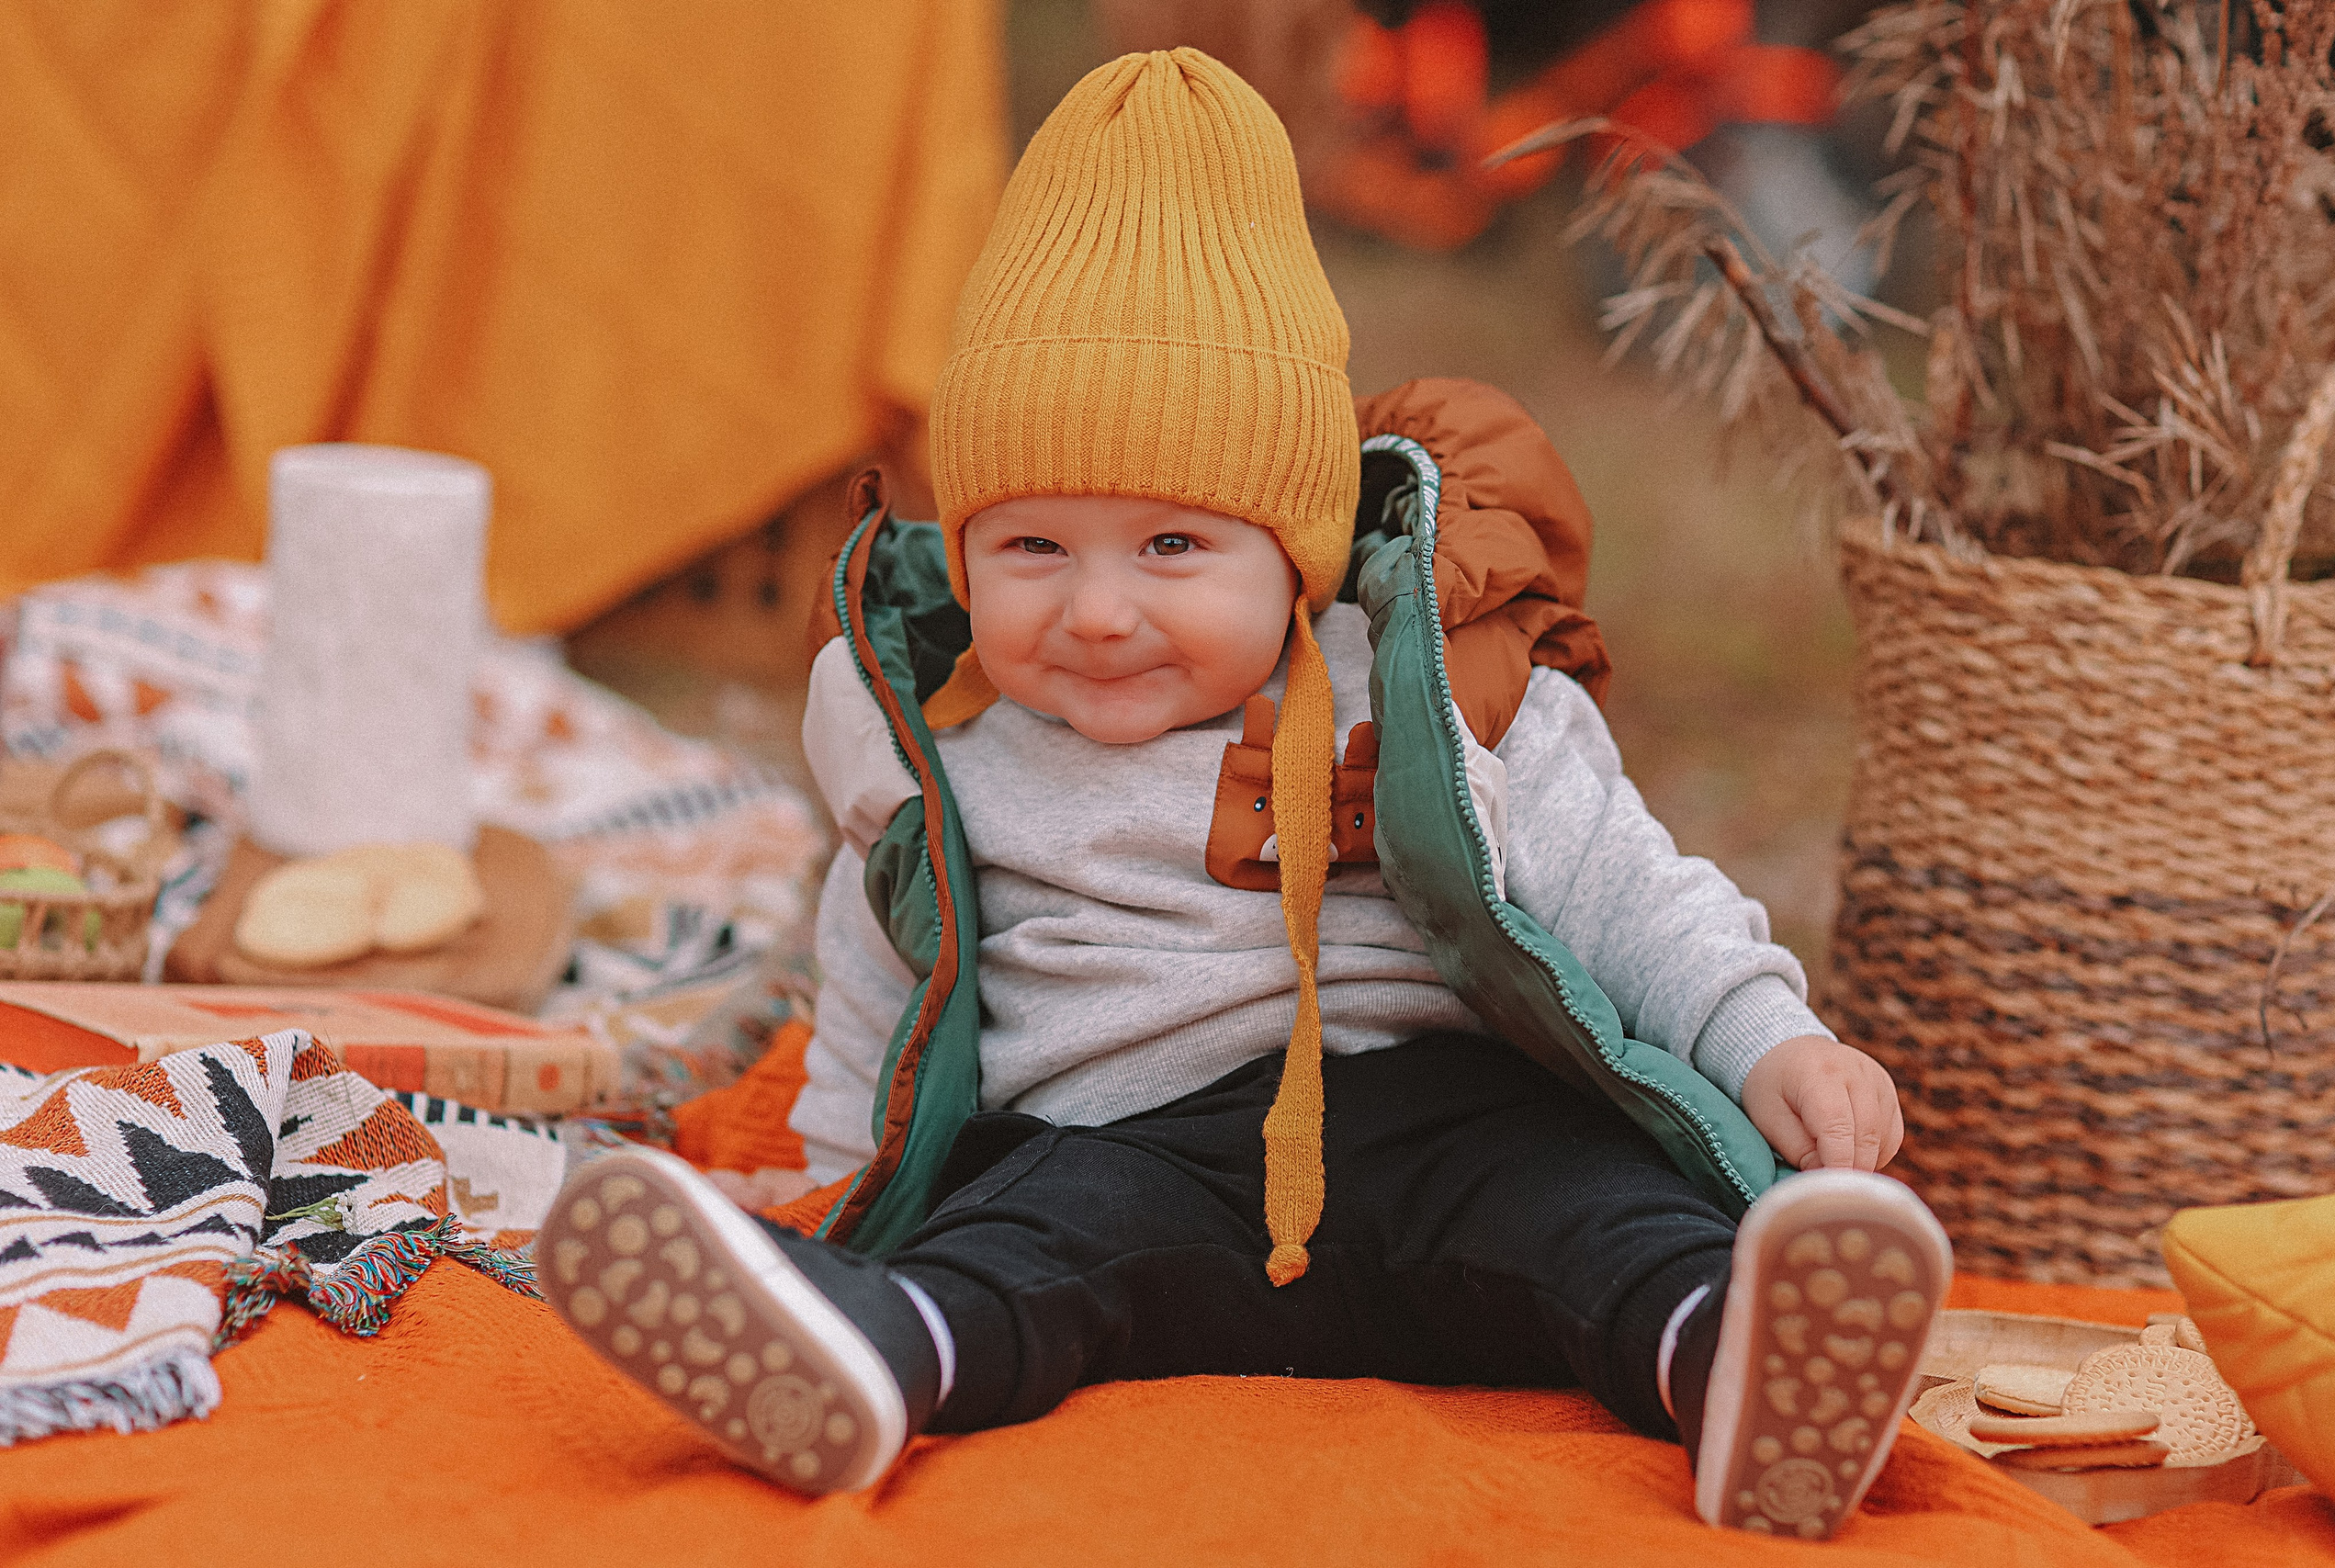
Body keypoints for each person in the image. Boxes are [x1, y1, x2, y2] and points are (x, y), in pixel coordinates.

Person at [536, 47, 1949, 1540]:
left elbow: (1626, 887)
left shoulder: (1436, 687)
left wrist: (1765, 1038)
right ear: (964, 557)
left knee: (1605, 1220)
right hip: (1140, 1154)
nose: (1093, 612)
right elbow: (883, 1004)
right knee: (1021, 1245)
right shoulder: (949, 772)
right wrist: (832, 1202)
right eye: (1032, 550)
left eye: (1169, 550)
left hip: (1448, 1122)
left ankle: (1745, 1368)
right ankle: (867, 1351)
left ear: (1298, 552)